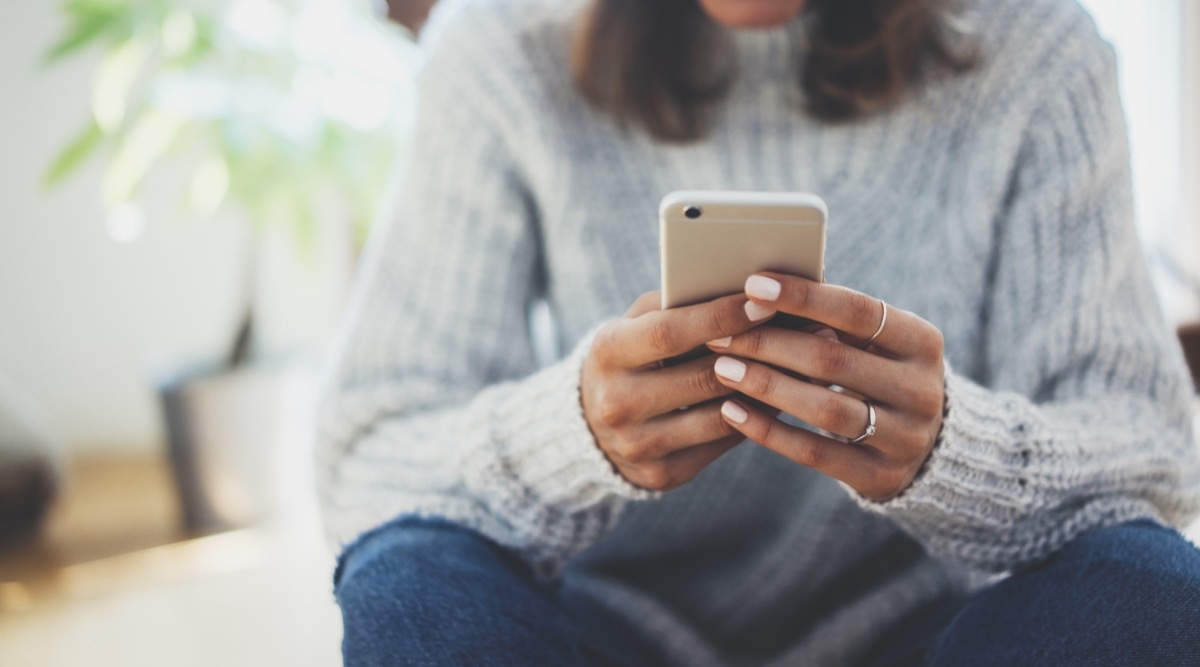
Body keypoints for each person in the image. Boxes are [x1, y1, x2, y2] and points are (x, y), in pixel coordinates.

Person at [318, 0, 1200, 664]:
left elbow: (1151, 454)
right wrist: (572, 433)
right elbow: (369, 459)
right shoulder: (501, 45)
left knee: (1149, 589)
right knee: (408, 582)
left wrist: (951, 451)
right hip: (602, 633)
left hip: (927, 635)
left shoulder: (1034, 44)